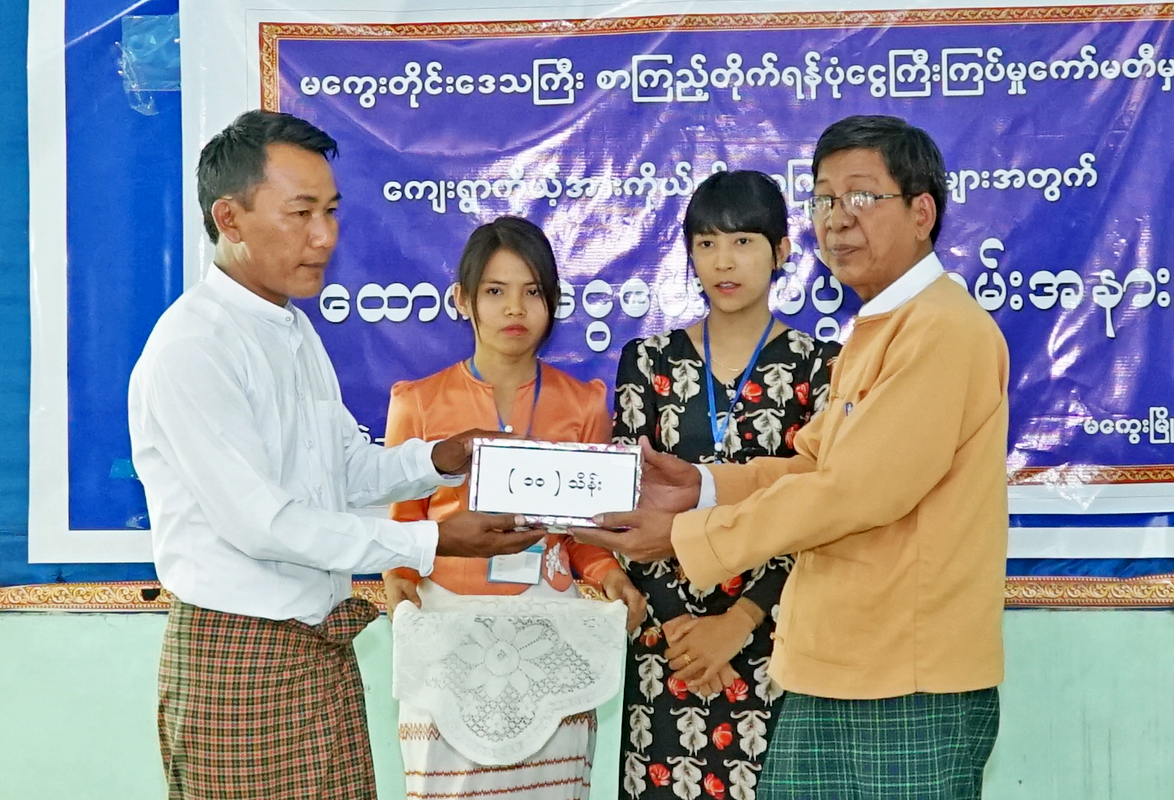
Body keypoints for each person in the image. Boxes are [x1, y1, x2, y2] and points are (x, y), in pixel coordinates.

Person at [577, 115, 1010, 800]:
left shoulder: (942, 330)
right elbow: (812, 467)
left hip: (903, 682)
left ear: (921, 212)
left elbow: (851, 493)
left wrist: (689, 536)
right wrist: (702, 486)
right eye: (824, 198)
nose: (837, 219)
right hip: (833, 666)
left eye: (861, 196)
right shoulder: (878, 329)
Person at [128, 110, 541, 800]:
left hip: (317, 650)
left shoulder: (293, 331)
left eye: (330, 211)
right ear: (230, 219)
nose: (325, 236)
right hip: (241, 657)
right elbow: (264, 523)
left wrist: (443, 457)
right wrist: (434, 541)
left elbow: (344, 467)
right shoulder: (195, 348)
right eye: (301, 213)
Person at [381, 215, 647, 800]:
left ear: (553, 303)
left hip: (550, 632)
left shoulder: (583, 405)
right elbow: (403, 524)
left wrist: (609, 575)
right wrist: (398, 578)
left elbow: (585, 537)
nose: (514, 309)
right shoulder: (417, 404)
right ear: (463, 300)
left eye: (532, 292)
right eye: (495, 291)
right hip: (447, 629)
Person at [610, 170, 839, 800]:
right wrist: (681, 627)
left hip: (774, 639)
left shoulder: (822, 366)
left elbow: (822, 503)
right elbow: (624, 505)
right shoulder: (647, 361)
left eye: (742, 242)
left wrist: (738, 622)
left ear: (782, 251)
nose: (723, 261)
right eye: (706, 244)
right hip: (667, 648)